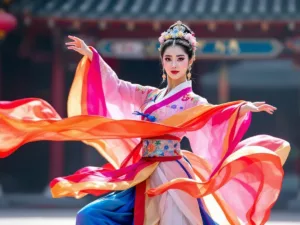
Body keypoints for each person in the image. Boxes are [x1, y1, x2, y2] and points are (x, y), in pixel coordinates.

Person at [0, 21, 290, 225]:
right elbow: (117, 86)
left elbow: (213, 115)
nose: (173, 64)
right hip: (141, 171)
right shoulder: (149, 96)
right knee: (90, 216)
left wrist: (241, 108)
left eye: (179, 58)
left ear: (189, 62)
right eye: (168, 58)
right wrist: (93, 58)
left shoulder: (193, 102)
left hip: (172, 175)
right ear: (162, 62)